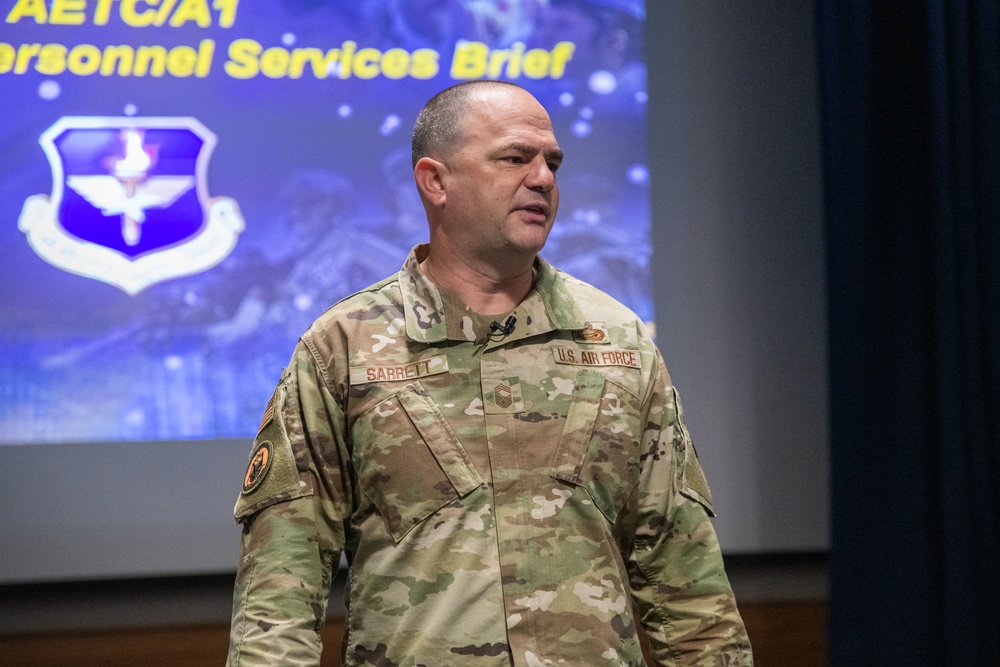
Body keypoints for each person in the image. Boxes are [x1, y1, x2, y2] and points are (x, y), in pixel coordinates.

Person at [227, 80, 753, 666]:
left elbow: (687, 581)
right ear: (436, 181)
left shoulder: (619, 341)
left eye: (551, 161)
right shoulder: (343, 348)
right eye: (514, 158)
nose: (543, 179)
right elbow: (279, 595)